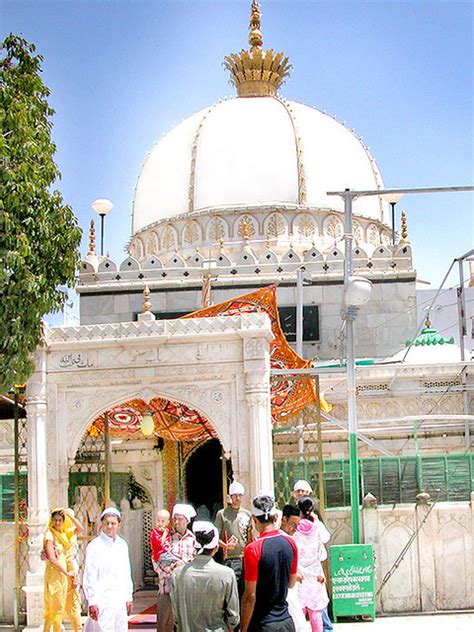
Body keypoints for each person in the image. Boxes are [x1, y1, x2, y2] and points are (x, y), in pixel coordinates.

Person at [241, 493, 298, 632]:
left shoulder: (253, 549)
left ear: (254, 520)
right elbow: (291, 583)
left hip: (262, 624)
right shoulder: (290, 543)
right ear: (276, 517)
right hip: (286, 622)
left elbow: (250, 596)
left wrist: (243, 628)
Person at [170, 520, 240, 631]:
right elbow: (234, 616)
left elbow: (176, 616)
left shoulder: (177, 574)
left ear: (194, 545)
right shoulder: (227, 574)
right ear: (216, 548)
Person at [83, 507, 133, 632]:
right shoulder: (95, 546)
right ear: (102, 524)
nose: (110, 526)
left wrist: (128, 597)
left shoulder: (122, 545)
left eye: (113, 523)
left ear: (119, 525)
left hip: (119, 598)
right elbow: (90, 575)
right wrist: (92, 601)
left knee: (120, 628)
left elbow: (126, 573)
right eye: (107, 523)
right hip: (102, 598)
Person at [292, 483, 333, 632]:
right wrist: (316, 521)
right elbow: (326, 538)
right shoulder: (317, 526)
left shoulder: (295, 528)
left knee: (300, 611)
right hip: (316, 574)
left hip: (300, 574)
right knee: (316, 611)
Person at [156, 503, 197, 632]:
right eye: (175, 519)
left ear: (187, 521)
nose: (176, 522)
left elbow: (196, 563)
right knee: (164, 626)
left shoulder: (194, 539)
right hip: (166, 589)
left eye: (180, 519)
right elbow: (157, 560)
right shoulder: (165, 537)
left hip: (186, 590)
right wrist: (173, 568)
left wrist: (182, 564)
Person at [43, 507, 83, 632]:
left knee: (71, 605)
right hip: (56, 575)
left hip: (67, 573)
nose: (58, 523)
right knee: (55, 607)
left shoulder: (65, 533)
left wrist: (70, 516)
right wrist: (66, 573)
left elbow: (80, 528)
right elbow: (53, 559)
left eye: (60, 520)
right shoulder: (50, 535)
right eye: (55, 520)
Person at [215, 481, 252, 599]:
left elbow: (249, 536)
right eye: (235, 495)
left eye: (240, 495)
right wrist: (225, 546)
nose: (237, 498)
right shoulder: (222, 514)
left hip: (244, 558)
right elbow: (215, 537)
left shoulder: (247, 514)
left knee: (244, 590)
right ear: (230, 496)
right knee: (232, 591)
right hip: (230, 559)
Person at [280, 505, 309, 632]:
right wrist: (292, 575)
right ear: (283, 519)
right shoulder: (279, 540)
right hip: (284, 589)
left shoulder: (292, 539)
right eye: (292, 524)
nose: (294, 528)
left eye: (297, 525)